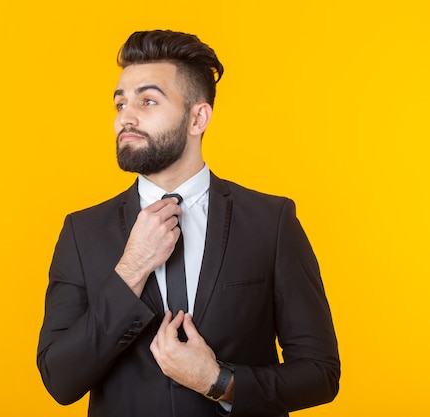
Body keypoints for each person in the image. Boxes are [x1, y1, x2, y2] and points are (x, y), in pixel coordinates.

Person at [37, 30, 340, 417]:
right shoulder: (83, 232)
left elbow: (320, 373)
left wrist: (218, 381)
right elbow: (59, 379)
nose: (125, 118)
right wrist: (131, 269)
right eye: (120, 104)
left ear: (198, 117)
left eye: (147, 101)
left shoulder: (271, 222)